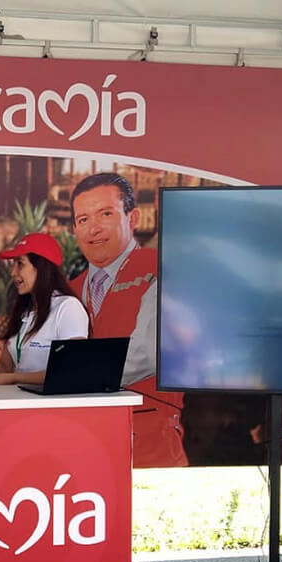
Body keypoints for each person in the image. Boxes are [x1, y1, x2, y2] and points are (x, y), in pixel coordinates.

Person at [69, 172, 187, 466]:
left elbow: (147, 352)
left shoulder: (163, 271)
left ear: (132, 218)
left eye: (105, 214)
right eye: (83, 220)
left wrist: (62, 376)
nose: (93, 228)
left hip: (149, 445)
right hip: (79, 443)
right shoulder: (68, 290)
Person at [0, 233, 88, 385]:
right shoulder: (24, 311)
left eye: (20, 264)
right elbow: (5, 365)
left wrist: (15, 378)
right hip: (18, 403)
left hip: (51, 407)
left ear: (42, 267)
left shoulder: (68, 308)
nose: (13, 273)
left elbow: (71, 369)